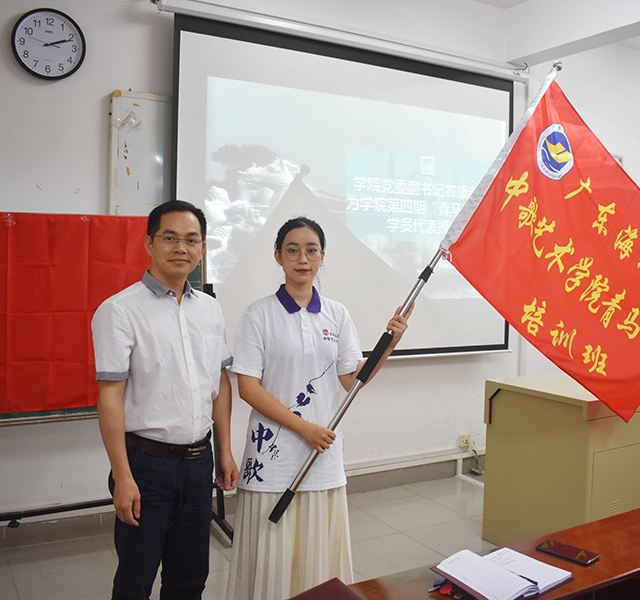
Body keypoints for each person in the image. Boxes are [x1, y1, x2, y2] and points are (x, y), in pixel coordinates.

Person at [225, 216, 410, 599]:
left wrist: (389, 344)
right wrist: (302, 427)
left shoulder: (337, 314)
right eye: (292, 250)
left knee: (318, 557)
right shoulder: (258, 314)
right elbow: (248, 387)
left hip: (320, 455)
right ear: (278, 256)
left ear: (322, 257)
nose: (302, 258)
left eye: (311, 250)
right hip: (273, 460)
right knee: (273, 559)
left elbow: (351, 379)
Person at [91, 200, 238, 600]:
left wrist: (224, 451)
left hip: (199, 463)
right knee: (135, 581)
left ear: (202, 248)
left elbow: (220, 384)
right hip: (146, 467)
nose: (181, 248)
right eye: (170, 238)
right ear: (149, 243)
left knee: (189, 579)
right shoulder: (119, 311)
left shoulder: (210, 309)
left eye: (191, 240)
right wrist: (122, 477)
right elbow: (110, 398)